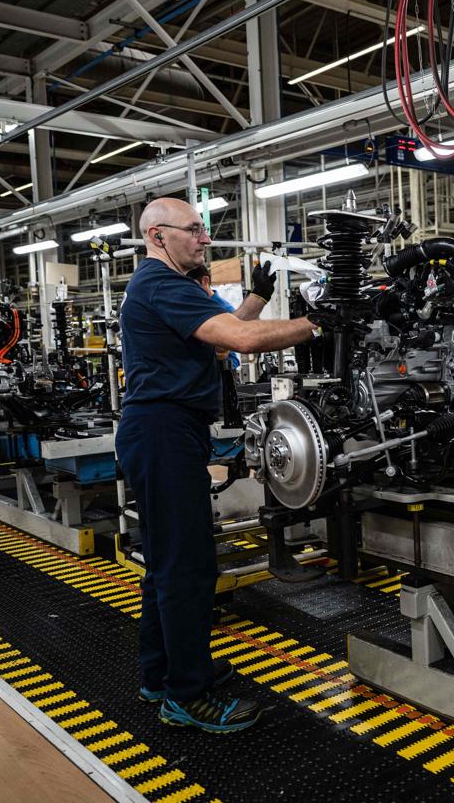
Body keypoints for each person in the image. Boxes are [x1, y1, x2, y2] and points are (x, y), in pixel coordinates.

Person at [116, 197, 313, 733]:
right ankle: (187, 694)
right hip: (162, 432)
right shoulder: (162, 284)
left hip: (162, 432)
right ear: (158, 236)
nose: (205, 240)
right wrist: (314, 323)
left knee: (165, 563)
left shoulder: (164, 287)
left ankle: (161, 675)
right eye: (194, 231)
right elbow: (243, 341)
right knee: (189, 568)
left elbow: (222, 340)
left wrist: (257, 297)